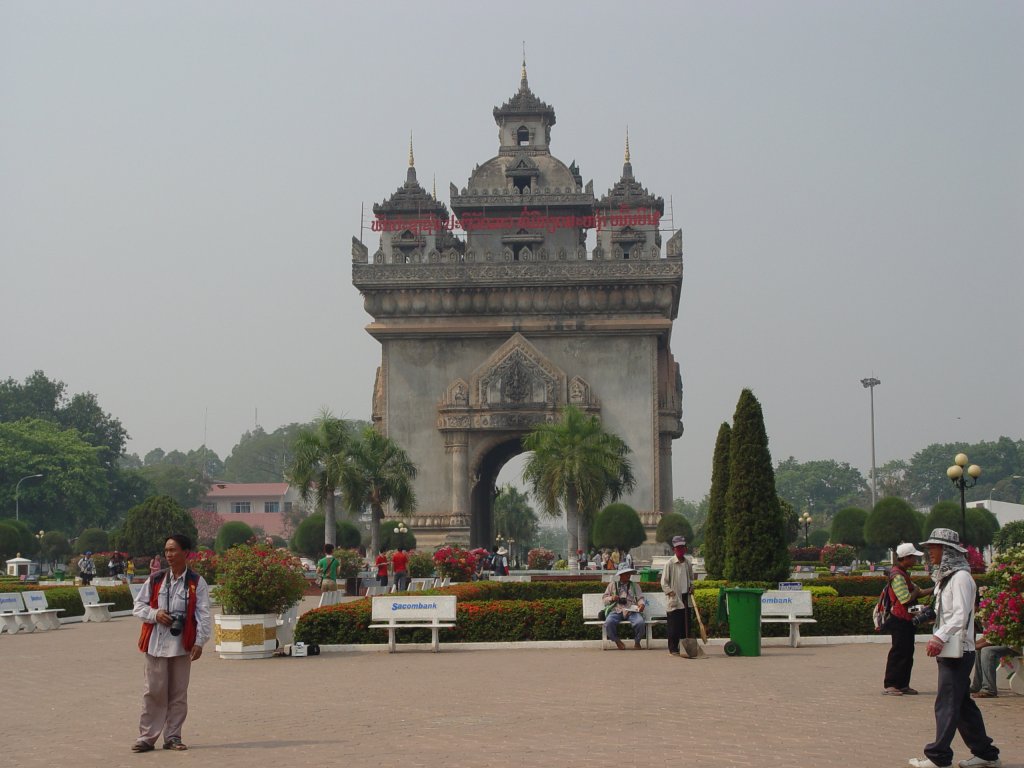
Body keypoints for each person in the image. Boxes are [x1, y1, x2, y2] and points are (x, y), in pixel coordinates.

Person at [908, 528, 1001, 768]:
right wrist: (927, 615)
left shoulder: (960, 578)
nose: (930, 553)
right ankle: (986, 754)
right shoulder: (946, 579)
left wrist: (938, 636)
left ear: (947, 551)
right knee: (961, 705)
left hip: (959, 650)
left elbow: (960, 615)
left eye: (934, 548)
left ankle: (938, 757)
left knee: (947, 703)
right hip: (952, 649)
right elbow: (944, 612)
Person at [131, 533, 211, 753]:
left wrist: (200, 641)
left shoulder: (196, 582)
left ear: (186, 553)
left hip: (181, 645)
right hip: (156, 643)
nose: (169, 555)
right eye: (166, 550)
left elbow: (203, 614)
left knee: (178, 693)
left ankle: (173, 737)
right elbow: (138, 606)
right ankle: (147, 737)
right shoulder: (156, 579)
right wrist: (155, 614)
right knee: (153, 691)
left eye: (173, 550)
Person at [883, 542, 932, 696]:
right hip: (900, 619)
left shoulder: (903, 574)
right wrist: (916, 593)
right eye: (914, 558)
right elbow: (905, 599)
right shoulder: (898, 576)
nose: (916, 560)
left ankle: (903, 684)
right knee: (899, 652)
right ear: (906, 558)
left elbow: (919, 591)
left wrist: (936, 588)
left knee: (907, 652)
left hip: (906, 619)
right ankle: (891, 684)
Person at [661, 535, 701, 658]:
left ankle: (685, 648)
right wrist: (670, 592)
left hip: (686, 597)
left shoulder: (688, 563)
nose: (680, 550)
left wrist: (692, 587)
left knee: (686, 626)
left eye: (682, 547)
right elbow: (664, 582)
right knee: (674, 626)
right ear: (674, 550)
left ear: (685, 548)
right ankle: (673, 649)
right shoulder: (670, 564)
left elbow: (691, 578)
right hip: (675, 598)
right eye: (678, 548)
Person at [602, 563, 646, 650]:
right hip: (617, 610)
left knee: (640, 623)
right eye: (626, 573)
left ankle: (637, 642)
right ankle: (617, 641)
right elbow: (604, 599)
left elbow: (640, 598)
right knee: (609, 622)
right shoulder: (612, 585)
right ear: (620, 575)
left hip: (632, 610)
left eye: (629, 573)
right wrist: (612, 598)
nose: (629, 575)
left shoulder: (635, 585)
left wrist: (642, 604)